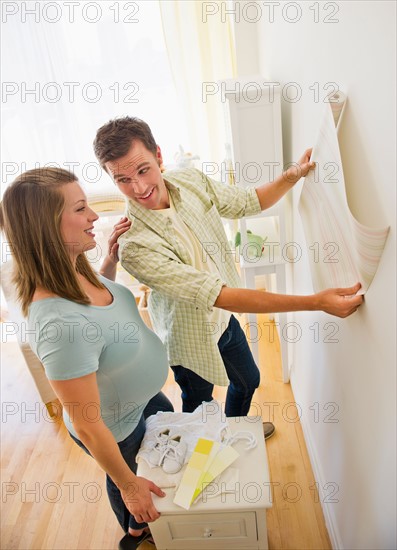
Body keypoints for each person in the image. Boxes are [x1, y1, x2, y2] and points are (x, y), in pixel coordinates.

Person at [93, 116, 363, 436]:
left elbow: (248, 201)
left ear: (159, 155)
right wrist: (316, 302)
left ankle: (233, 433)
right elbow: (216, 293)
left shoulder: (192, 182)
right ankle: (203, 450)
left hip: (223, 318)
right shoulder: (134, 245)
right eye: (122, 179)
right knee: (200, 407)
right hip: (189, 335)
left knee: (248, 380)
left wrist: (291, 176)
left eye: (142, 170)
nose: (138, 188)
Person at [0, 167, 174, 550]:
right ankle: (136, 533)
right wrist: (129, 488)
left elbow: (97, 313)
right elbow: (88, 424)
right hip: (115, 427)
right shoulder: (56, 323)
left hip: (145, 401)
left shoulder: (74, 266)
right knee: (130, 481)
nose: (94, 216)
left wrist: (108, 264)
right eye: (81, 209)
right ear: (47, 228)